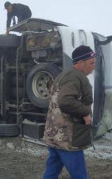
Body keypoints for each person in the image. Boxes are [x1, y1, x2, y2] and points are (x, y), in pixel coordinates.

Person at [43, 45, 96, 179]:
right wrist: (85, 113)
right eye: (91, 63)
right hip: (68, 138)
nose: (93, 67)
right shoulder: (76, 77)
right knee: (80, 175)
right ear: (81, 62)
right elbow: (65, 101)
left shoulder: (64, 75)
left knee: (52, 172)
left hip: (54, 134)